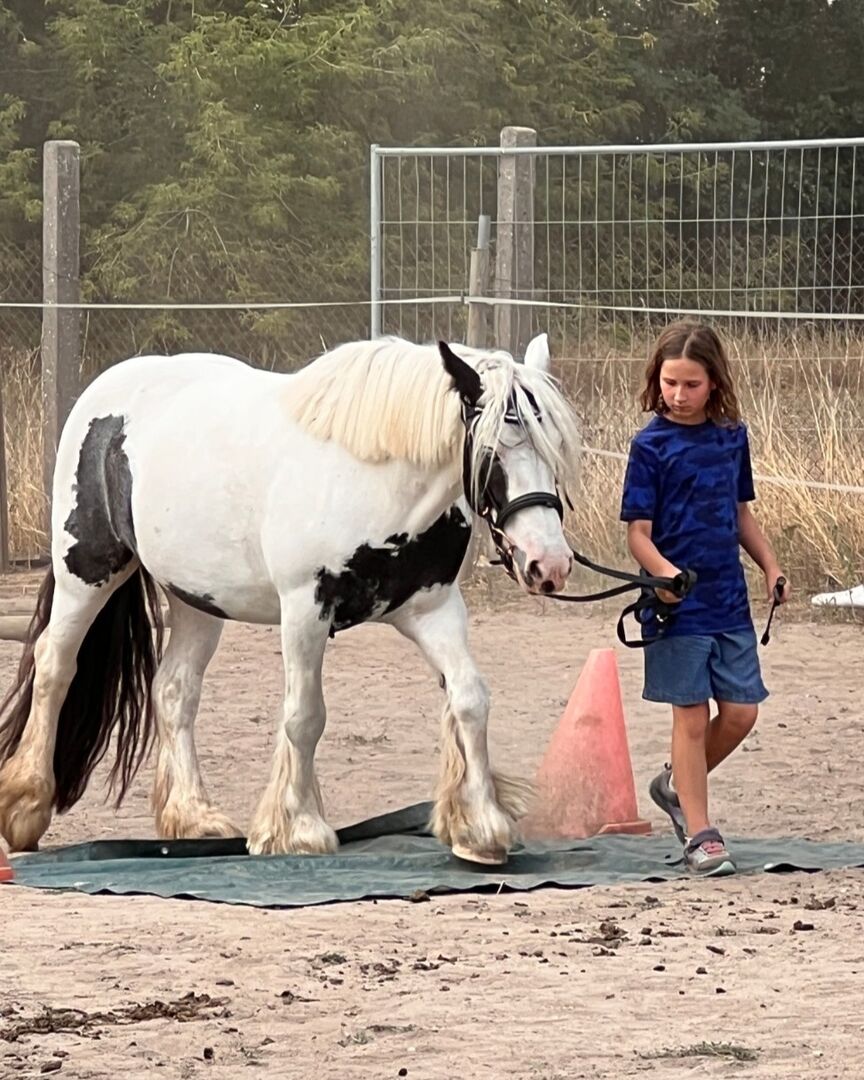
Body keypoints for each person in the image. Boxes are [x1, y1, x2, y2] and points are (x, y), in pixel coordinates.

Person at [620, 322, 789, 876]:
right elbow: (637, 535)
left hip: (728, 600)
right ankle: (701, 833)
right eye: (669, 382)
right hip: (674, 605)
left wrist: (770, 566)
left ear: (714, 382)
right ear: (657, 380)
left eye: (691, 384)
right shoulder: (649, 447)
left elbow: (741, 515)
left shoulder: (732, 438)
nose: (678, 394)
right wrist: (666, 575)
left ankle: (674, 785)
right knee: (690, 717)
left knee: (741, 713)